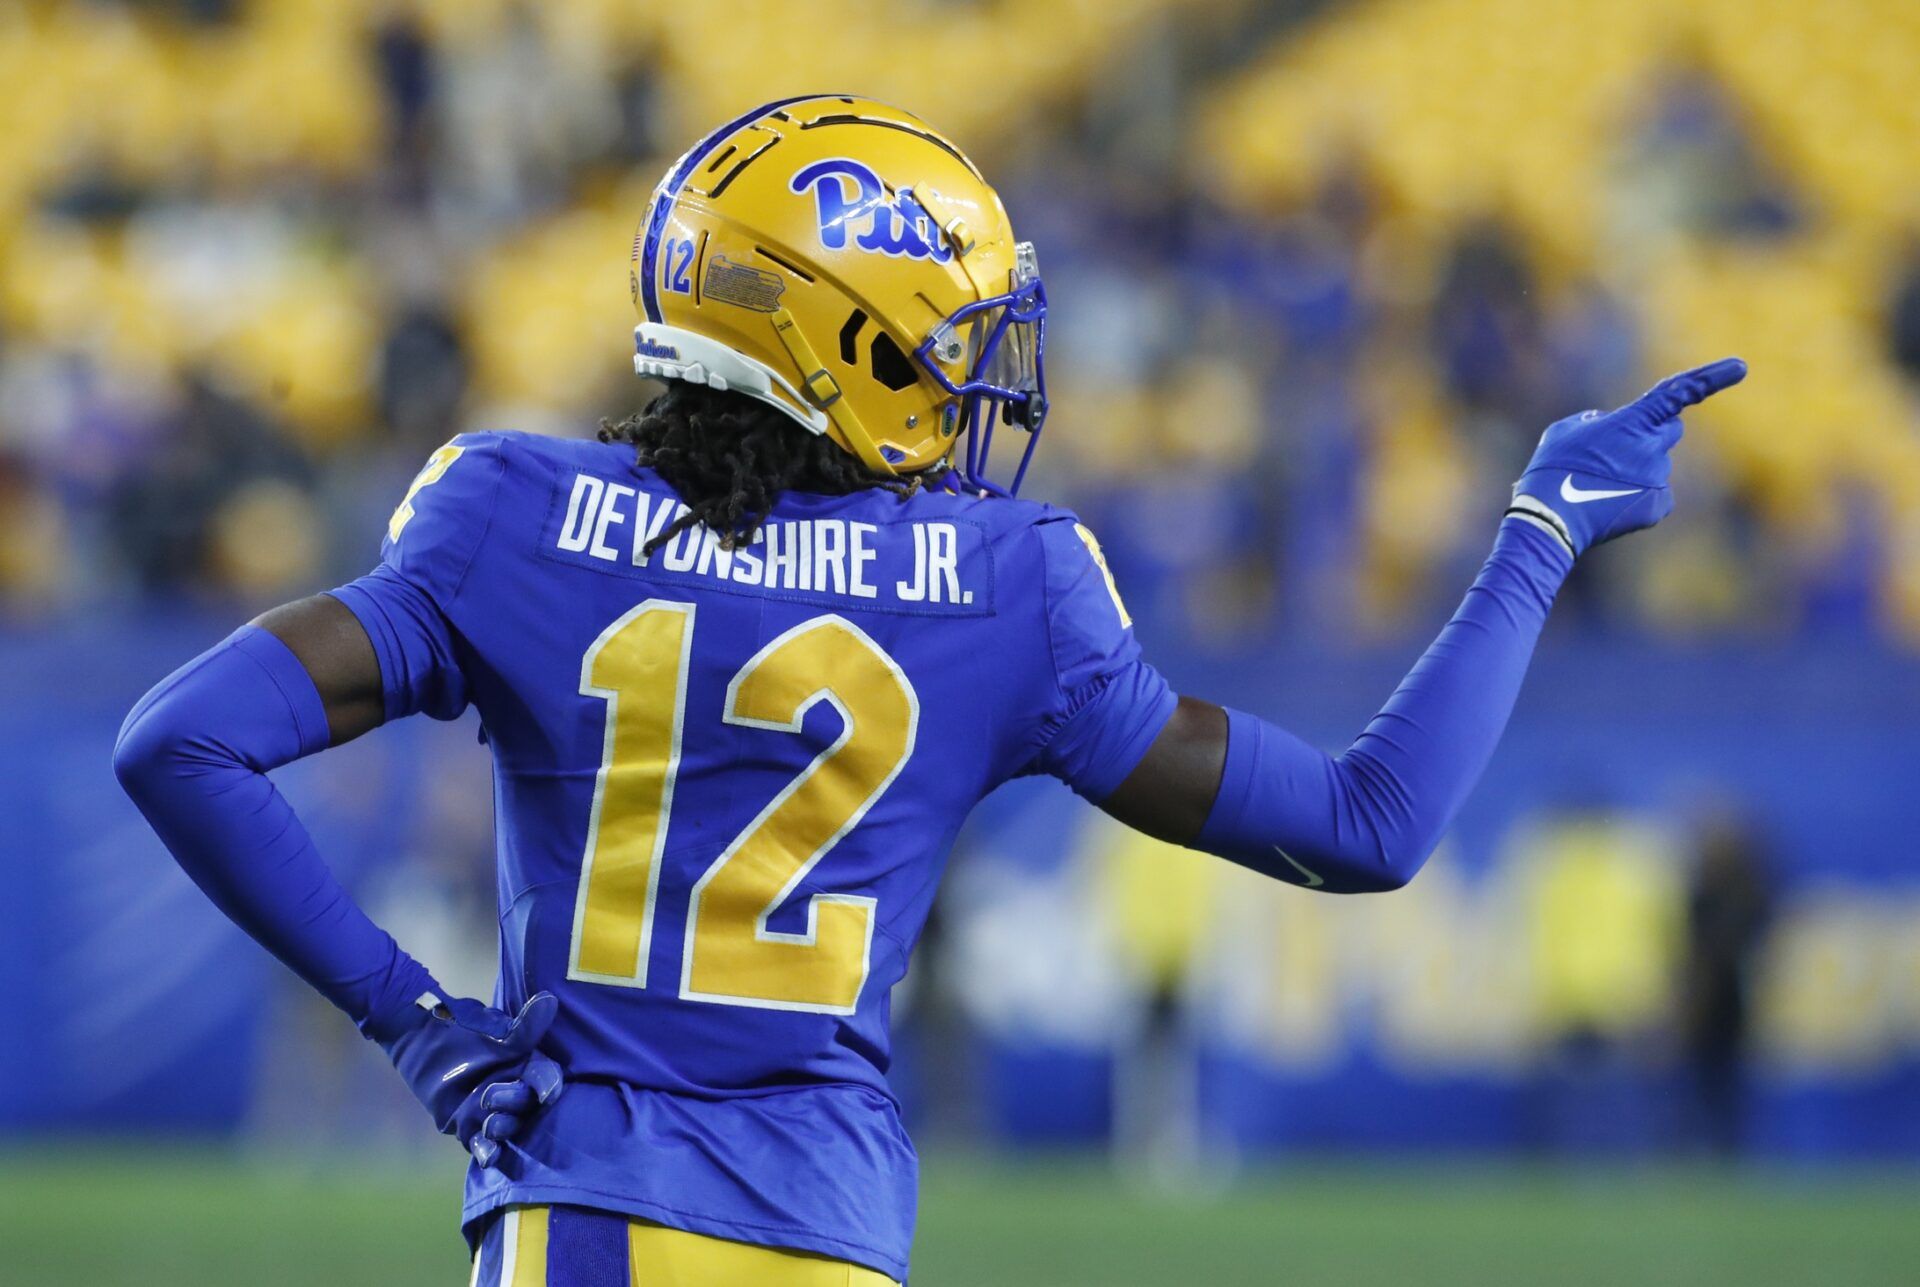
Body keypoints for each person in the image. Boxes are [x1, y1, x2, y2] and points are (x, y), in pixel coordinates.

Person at [112, 96, 1747, 1285]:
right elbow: (1368, 825)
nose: (976, 374)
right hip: (826, 1233)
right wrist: (1541, 532)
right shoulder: (1004, 586)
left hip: (588, 1219)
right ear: (852, 347)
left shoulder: (511, 518)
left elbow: (179, 742)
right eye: (949, 337)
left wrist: (420, 1033)